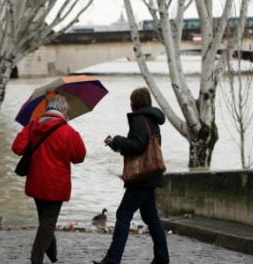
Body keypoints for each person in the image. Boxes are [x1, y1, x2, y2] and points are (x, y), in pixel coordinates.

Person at [94, 87, 169, 264]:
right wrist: (116, 145)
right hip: (151, 175)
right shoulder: (152, 120)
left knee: (123, 214)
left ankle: (112, 260)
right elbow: (141, 147)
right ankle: (162, 258)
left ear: (133, 103)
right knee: (151, 218)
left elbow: (137, 145)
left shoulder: (139, 120)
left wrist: (117, 140)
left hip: (141, 177)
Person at [11, 95, 86, 264]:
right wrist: (74, 133)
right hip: (56, 184)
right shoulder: (68, 131)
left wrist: (25, 132)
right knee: (48, 222)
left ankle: (53, 255)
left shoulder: (33, 126)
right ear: (63, 110)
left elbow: (17, 148)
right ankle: (36, 259)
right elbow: (79, 156)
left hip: (36, 182)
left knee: (45, 221)